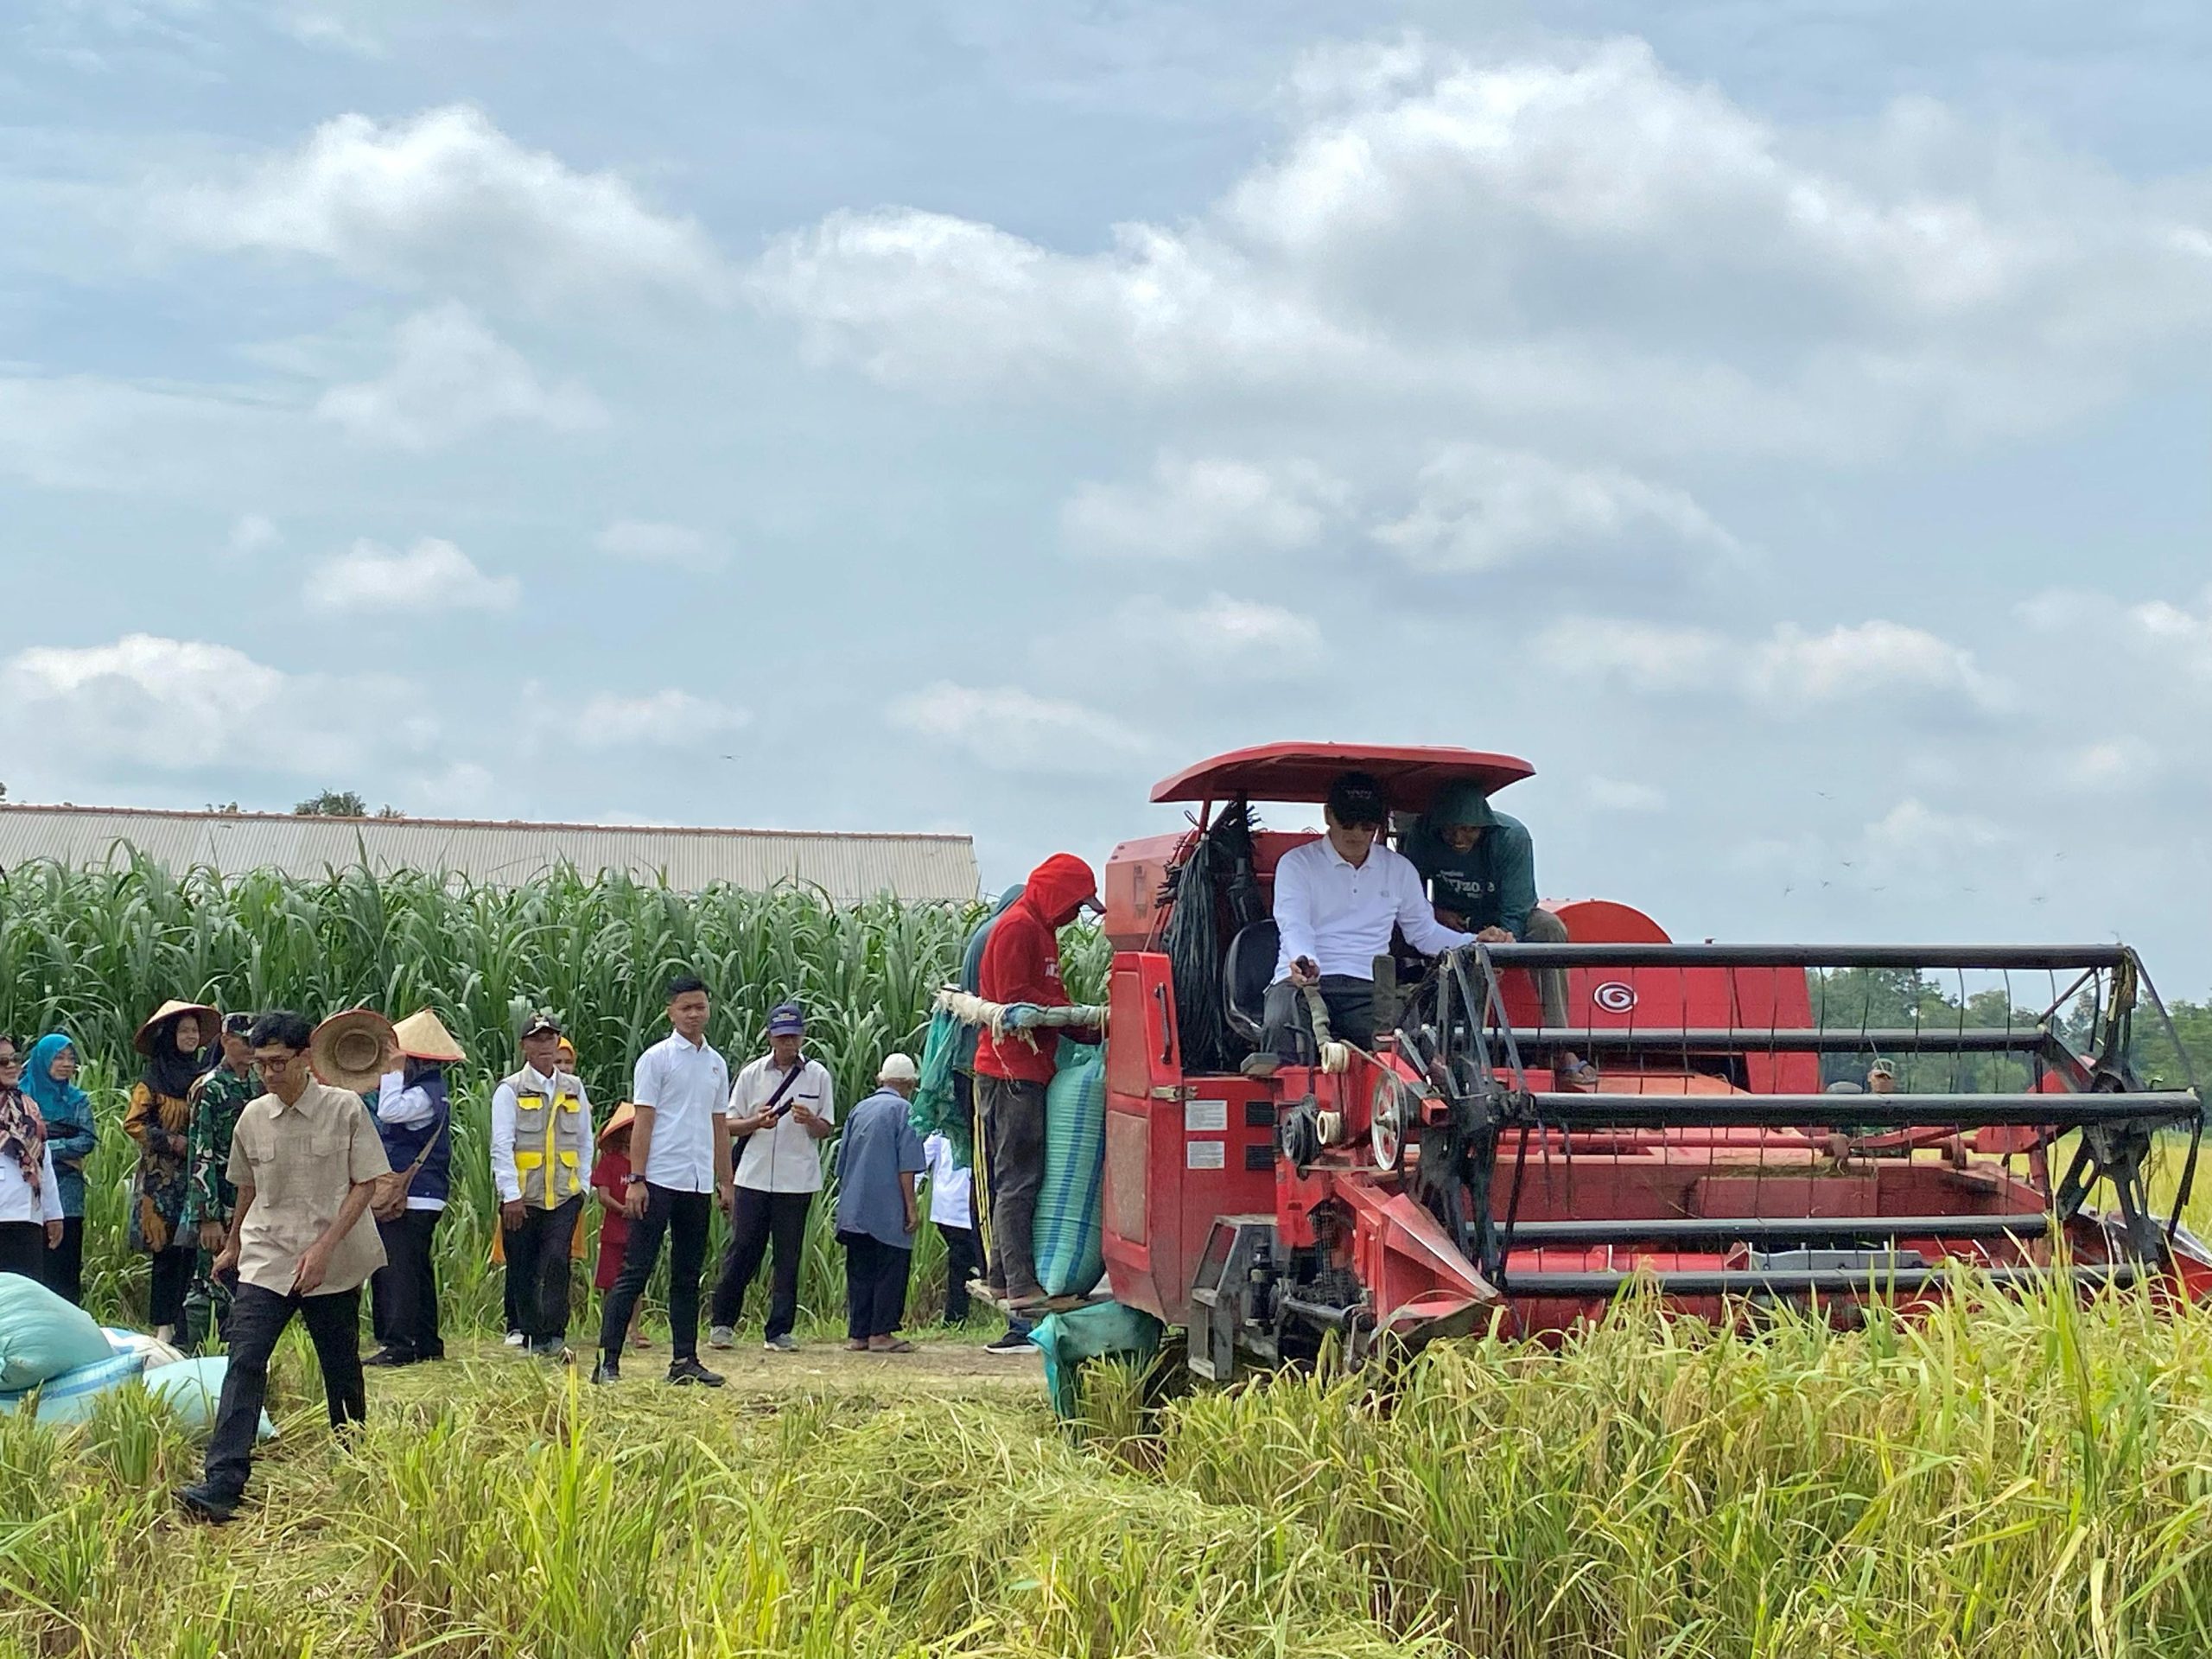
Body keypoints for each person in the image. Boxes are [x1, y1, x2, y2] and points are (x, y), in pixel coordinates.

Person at [176, 1010, 391, 1526]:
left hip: (332, 1259)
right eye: (260, 1065)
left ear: (306, 1059)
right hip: (267, 1255)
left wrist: (324, 1249)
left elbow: (366, 1184)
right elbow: (246, 1187)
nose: (268, 1074)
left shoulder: (346, 1110)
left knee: (339, 1365)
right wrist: (231, 1245)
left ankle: (353, 1463)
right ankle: (223, 1482)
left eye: (277, 1063)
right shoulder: (252, 1117)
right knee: (245, 1360)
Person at [1244, 773, 1474, 1080]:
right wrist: (1304, 959)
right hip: (1302, 981)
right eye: (1347, 823)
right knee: (1282, 1026)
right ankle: (1282, 1111)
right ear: (1328, 816)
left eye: (1367, 826)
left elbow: (1424, 933)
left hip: (1368, 987)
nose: (1356, 833)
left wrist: (1476, 943)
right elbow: (1295, 923)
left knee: (1406, 1044)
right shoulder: (1297, 864)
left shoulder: (1398, 870)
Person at [1400, 779, 1599, 1089]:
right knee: (1435, 944)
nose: (1458, 837)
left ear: (1485, 825)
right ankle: (1461, 1054)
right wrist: (1435, 913)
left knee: (1550, 928)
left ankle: (1560, 1045)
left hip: (1506, 918)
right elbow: (1407, 894)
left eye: (1469, 829)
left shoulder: (1512, 837)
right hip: (1456, 922)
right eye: (1450, 829)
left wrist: (1506, 945)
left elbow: (1518, 907)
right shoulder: (1421, 838)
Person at [974, 854, 1103, 1313]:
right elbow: (1014, 1001)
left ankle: (1001, 1277)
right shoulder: (1018, 928)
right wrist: (1069, 1014)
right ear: (1056, 894)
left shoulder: (1042, 931)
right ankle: (1020, 1282)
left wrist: (1088, 1024)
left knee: (1017, 1175)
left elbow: (1049, 998)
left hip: (1029, 1068)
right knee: (1018, 1178)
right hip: (1011, 1072)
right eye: (1075, 904)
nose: (1076, 915)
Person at [593, 976, 732, 1388]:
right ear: (671, 1011)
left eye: (700, 1006)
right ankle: (607, 1361)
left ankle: (684, 1360)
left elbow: (719, 1125)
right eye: (686, 1007)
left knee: (688, 1275)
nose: (694, 1014)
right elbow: (643, 1121)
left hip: (695, 1182)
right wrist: (635, 1178)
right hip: (657, 1180)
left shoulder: (716, 1064)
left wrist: (726, 1181)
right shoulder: (656, 1059)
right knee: (635, 1271)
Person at [712, 1001, 836, 1354]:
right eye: (782, 1038)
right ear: (770, 1037)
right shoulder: (752, 1075)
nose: (788, 1045)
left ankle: (779, 1330)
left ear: (803, 1036)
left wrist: (810, 1120)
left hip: (796, 1180)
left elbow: (826, 1127)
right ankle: (722, 1322)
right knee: (743, 1249)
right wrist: (756, 1121)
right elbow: (728, 1124)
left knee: (788, 1256)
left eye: (794, 1037)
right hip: (753, 1176)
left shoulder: (818, 1076)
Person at [491, 1013, 592, 1361]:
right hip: (525, 1195)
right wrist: (510, 1195)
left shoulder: (574, 1088)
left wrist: (585, 1186)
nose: (544, 1046)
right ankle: (530, 1333)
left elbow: (584, 1140)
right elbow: (501, 1145)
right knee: (522, 1265)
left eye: (550, 1039)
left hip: (564, 1192)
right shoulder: (510, 1089)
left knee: (557, 1262)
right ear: (524, 1047)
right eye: (536, 1039)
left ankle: (553, 1333)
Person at [365, 1009, 462, 1369]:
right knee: (416, 1269)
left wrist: (391, 1071)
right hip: (422, 1193)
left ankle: (399, 1343)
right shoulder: (430, 1090)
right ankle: (425, 1340)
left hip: (412, 1194)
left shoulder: (423, 1094)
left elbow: (389, 1111)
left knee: (396, 1269)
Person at [127, 1001, 218, 1343]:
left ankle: (186, 1327)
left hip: (196, 1178)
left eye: (195, 1031)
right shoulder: (151, 1080)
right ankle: (163, 1327)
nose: (191, 1036)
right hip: (159, 1181)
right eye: (184, 1031)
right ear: (170, 1036)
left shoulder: (203, 1078)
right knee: (165, 1254)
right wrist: (171, 1142)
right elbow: (133, 1124)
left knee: (191, 1252)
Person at [835, 1054, 926, 1353]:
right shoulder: (905, 1111)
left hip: (855, 1205)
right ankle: (881, 1333)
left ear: (881, 1079)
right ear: (910, 1084)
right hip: (887, 1206)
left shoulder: (860, 1109)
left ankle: (858, 1334)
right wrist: (911, 1207)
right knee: (890, 1267)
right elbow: (907, 1167)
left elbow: (842, 1163)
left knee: (860, 1268)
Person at [180, 1014, 257, 1345]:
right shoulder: (210, 1087)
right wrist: (206, 1215)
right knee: (209, 1279)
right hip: (218, 1195)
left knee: (246, 1278)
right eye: (245, 1041)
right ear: (226, 1041)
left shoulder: (258, 1083)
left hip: (252, 1195)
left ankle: (238, 1347)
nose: (252, 1049)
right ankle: (200, 1352)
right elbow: (200, 1151)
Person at [21, 1033, 94, 1305]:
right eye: (59, 1057)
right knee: (30, 1263)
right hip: (27, 1193)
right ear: (43, 1060)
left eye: (71, 1058)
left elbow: (86, 1141)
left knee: (65, 1264)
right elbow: (15, 1141)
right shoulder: (21, 1097)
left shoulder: (78, 1100)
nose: (66, 1064)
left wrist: (43, 1146)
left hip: (69, 1194)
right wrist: (53, 1148)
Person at [0, 1037, 63, 1281]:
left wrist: (53, 1213)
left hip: (26, 1219)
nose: (11, 1066)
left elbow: (43, 1161)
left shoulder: (28, 1109)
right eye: (2, 1062)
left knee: (26, 1295)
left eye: (14, 1059)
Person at [588, 1103, 651, 1352]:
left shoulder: (646, 1163)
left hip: (638, 1230)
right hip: (614, 1231)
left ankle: (633, 1328)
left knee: (635, 1283)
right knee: (610, 1283)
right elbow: (602, 1195)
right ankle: (611, 1327)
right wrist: (622, 1208)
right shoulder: (610, 1162)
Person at [921, 1128, 980, 1325]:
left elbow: (919, 1163)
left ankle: (956, 1318)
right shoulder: (944, 1129)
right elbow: (920, 1162)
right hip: (957, 1208)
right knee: (967, 1263)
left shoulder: (942, 1127)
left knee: (960, 1264)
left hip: (949, 1208)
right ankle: (956, 1317)